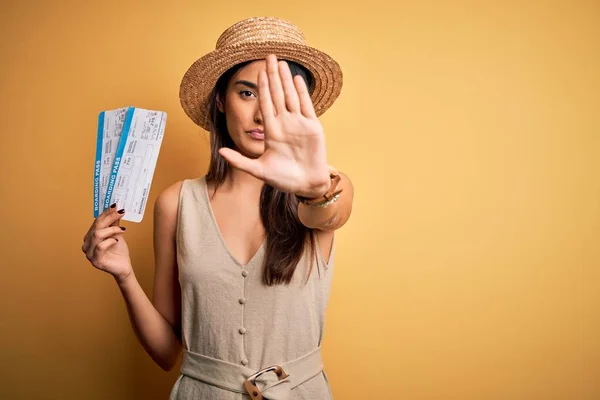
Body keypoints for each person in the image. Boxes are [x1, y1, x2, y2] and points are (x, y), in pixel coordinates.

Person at [82, 16, 354, 399]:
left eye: (281, 98)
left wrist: (314, 188)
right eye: (247, 93)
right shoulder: (176, 203)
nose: (264, 115)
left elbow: (329, 211)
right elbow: (165, 352)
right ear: (220, 102)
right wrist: (124, 274)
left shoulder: (325, 187)